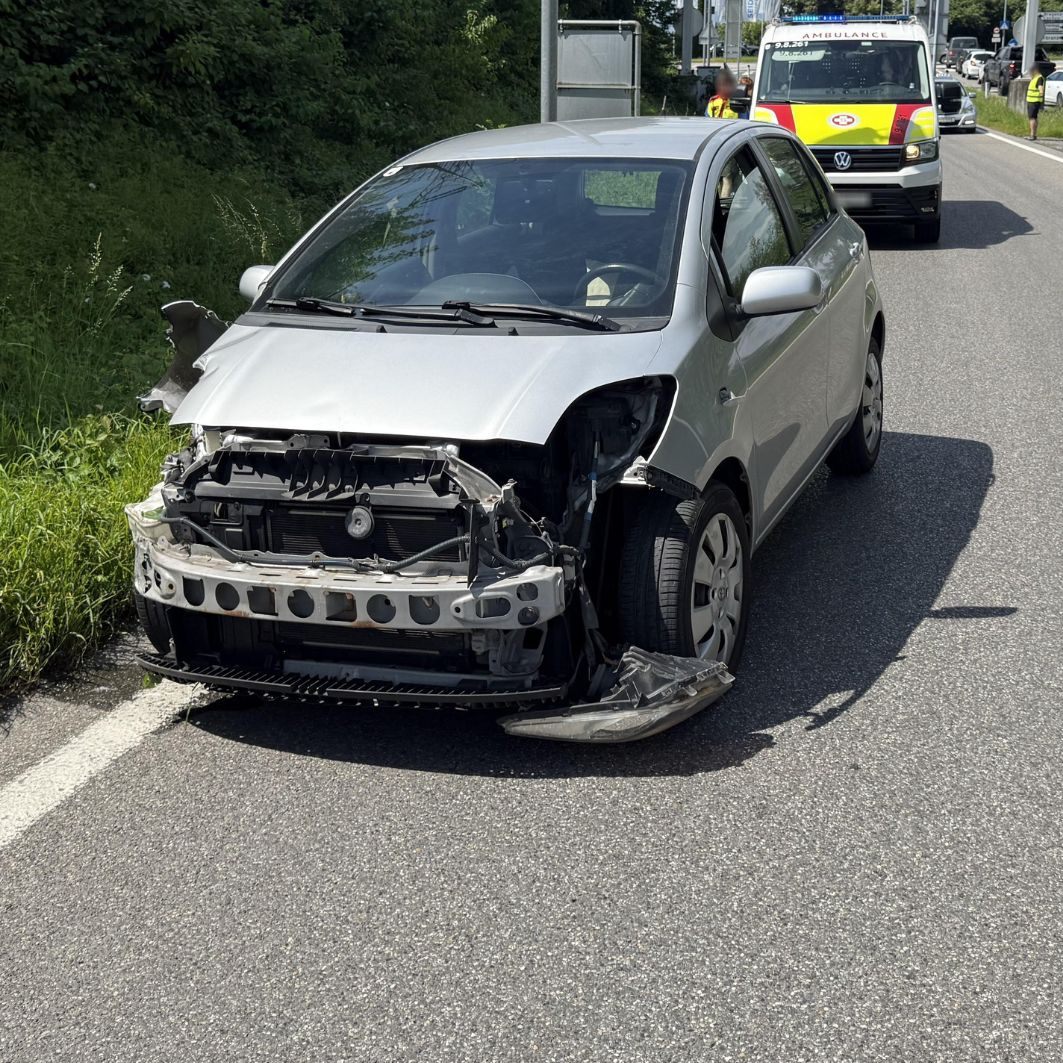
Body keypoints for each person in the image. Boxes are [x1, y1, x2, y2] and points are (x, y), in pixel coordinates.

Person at [1026, 63, 1046, 140]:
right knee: (1033, 118)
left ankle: (1032, 135)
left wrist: (1041, 97)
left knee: (1032, 118)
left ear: (1035, 70)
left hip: (1034, 101)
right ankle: (1033, 134)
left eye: (1031, 70)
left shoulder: (1039, 78)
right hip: (1032, 101)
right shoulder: (1035, 78)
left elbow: (1041, 89)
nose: (1030, 72)